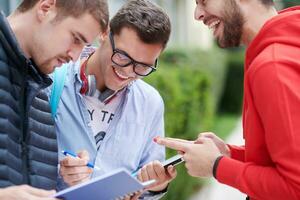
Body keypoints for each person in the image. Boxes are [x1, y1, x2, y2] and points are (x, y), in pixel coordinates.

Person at [155, 1, 300, 200]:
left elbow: (295, 188)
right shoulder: (288, 46)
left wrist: (217, 165)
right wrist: (230, 155)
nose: (197, 14)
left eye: (204, 1)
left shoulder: (272, 65)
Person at [48, 0, 176, 199]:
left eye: (142, 67)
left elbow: (149, 189)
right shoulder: (51, 82)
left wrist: (155, 187)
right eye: (123, 56)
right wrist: (58, 172)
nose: (127, 72)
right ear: (104, 34)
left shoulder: (150, 103)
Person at [0, 0, 108, 199]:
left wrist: (65, 176)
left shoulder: (42, 96)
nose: (75, 57)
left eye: (84, 46)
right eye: (76, 39)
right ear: (46, 8)